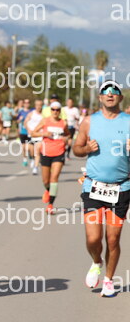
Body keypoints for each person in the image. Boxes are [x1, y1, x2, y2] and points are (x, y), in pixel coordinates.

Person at [73, 81, 130, 297]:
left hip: (121, 187)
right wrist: (86, 148)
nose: (110, 94)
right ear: (100, 97)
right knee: (93, 239)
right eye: (105, 91)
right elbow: (76, 148)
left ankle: (108, 280)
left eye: (115, 91)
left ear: (120, 98)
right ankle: (96, 261)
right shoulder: (89, 121)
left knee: (113, 239)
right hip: (93, 187)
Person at [31, 101, 70, 214]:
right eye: (53, 109)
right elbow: (33, 133)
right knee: (45, 180)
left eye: (57, 110)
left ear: (60, 111)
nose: (55, 112)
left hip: (59, 152)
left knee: (54, 178)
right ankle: (48, 191)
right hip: (46, 152)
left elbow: (68, 134)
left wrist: (66, 139)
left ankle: (50, 205)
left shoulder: (63, 123)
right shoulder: (45, 121)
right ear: (50, 110)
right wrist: (44, 134)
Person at [25, 99, 44, 175]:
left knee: (37, 151)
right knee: (31, 151)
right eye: (37, 105)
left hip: (39, 136)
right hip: (31, 135)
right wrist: (28, 129)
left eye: (40, 105)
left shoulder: (44, 115)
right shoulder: (31, 114)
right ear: (35, 105)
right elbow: (25, 123)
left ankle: (35, 167)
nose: (38, 107)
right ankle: (32, 159)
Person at [16, 99, 32, 167]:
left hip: (30, 131)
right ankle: (25, 159)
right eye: (25, 103)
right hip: (22, 131)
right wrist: (20, 119)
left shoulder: (32, 112)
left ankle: (31, 155)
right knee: (23, 147)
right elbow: (17, 121)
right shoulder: (21, 112)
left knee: (29, 147)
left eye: (28, 102)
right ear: (23, 104)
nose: (26, 104)